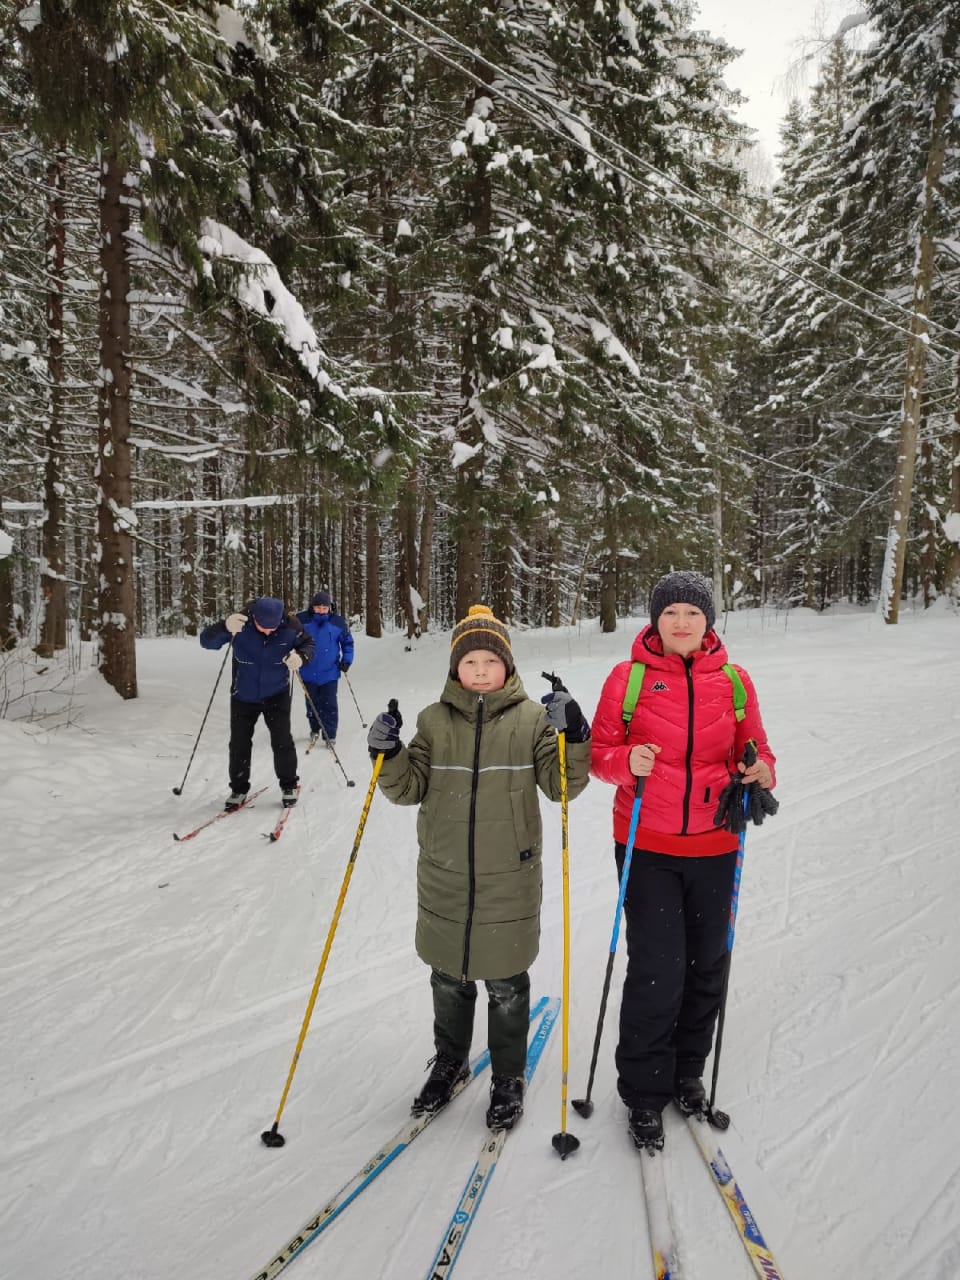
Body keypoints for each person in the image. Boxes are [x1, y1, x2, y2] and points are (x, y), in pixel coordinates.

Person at [366, 604, 591, 1131]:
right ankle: (450, 1062)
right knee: (448, 979)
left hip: (508, 877)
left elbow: (562, 786)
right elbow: (407, 789)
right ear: (455, 669)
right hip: (443, 876)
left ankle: (507, 1076)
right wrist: (389, 752)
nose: (483, 670)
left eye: (493, 660)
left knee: (507, 984)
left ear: (508, 666)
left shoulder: (532, 719)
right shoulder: (433, 721)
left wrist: (573, 735)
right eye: (472, 662)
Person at [589, 571, 776, 1151]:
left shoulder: (735, 682)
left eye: (692, 614)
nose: (681, 622)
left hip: (717, 843)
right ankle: (644, 1094)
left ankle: (686, 1072)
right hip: (647, 843)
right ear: (656, 620)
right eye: (670, 613)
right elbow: (599, 755)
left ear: (708, 621)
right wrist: (628, 762)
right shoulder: (629, 678)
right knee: (657, 969)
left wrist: (761, 770)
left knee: (706, 966)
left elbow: (760, 748)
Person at [200, 596, 315, 809]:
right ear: (254, 618)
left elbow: (308, 644)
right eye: (263, 627)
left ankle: (289, 785)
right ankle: (238, 788)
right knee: (239, 744)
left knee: (282, 741)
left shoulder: (291, 626)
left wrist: (301, 657)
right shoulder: (240, 624)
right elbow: (207, 641)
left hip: (276, 694)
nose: (268, 632)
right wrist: (223, 626)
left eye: (272, 629)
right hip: (243, 695)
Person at [295, 591, 354, 747]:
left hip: (330, 673)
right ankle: (314, 729)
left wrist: (346, 660)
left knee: (330, 704)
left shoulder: (337, 622)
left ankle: (330, 734)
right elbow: (291, 639)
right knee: (312, 704)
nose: (321, 610)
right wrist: (293, 656)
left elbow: (347, 643)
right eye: (318, 607)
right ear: (312, 607)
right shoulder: (302, 620)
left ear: (329, 607)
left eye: (324, 607)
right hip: (307, 672)